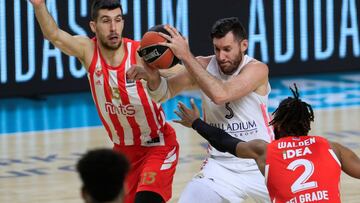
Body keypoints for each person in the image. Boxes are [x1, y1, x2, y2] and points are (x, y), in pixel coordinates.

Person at [29, 0, 180, 202]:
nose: (113, 28)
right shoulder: (87, 50)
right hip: (123, 152)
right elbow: (54, 35)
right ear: (94, 26)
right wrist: (39, 5)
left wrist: (173, 65)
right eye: (106, 21)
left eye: (118, 20)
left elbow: (181, 74)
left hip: (158, 145)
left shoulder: (140, 54)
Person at [128, 17, 273, 202]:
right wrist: (153, 77)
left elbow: (221, 94)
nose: (221, 57)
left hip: (260, 164)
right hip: (221, 167)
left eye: (227, 49)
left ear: (244, 45)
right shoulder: (203, 66)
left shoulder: (257, 69)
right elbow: (164, 92)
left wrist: (186, 56)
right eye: (217, 49)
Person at [174, 85, 360, 203]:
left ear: (276, 125)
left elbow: (223, 141)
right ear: (307, 124)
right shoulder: (333, 148)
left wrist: (196, 123)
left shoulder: (264, 150)